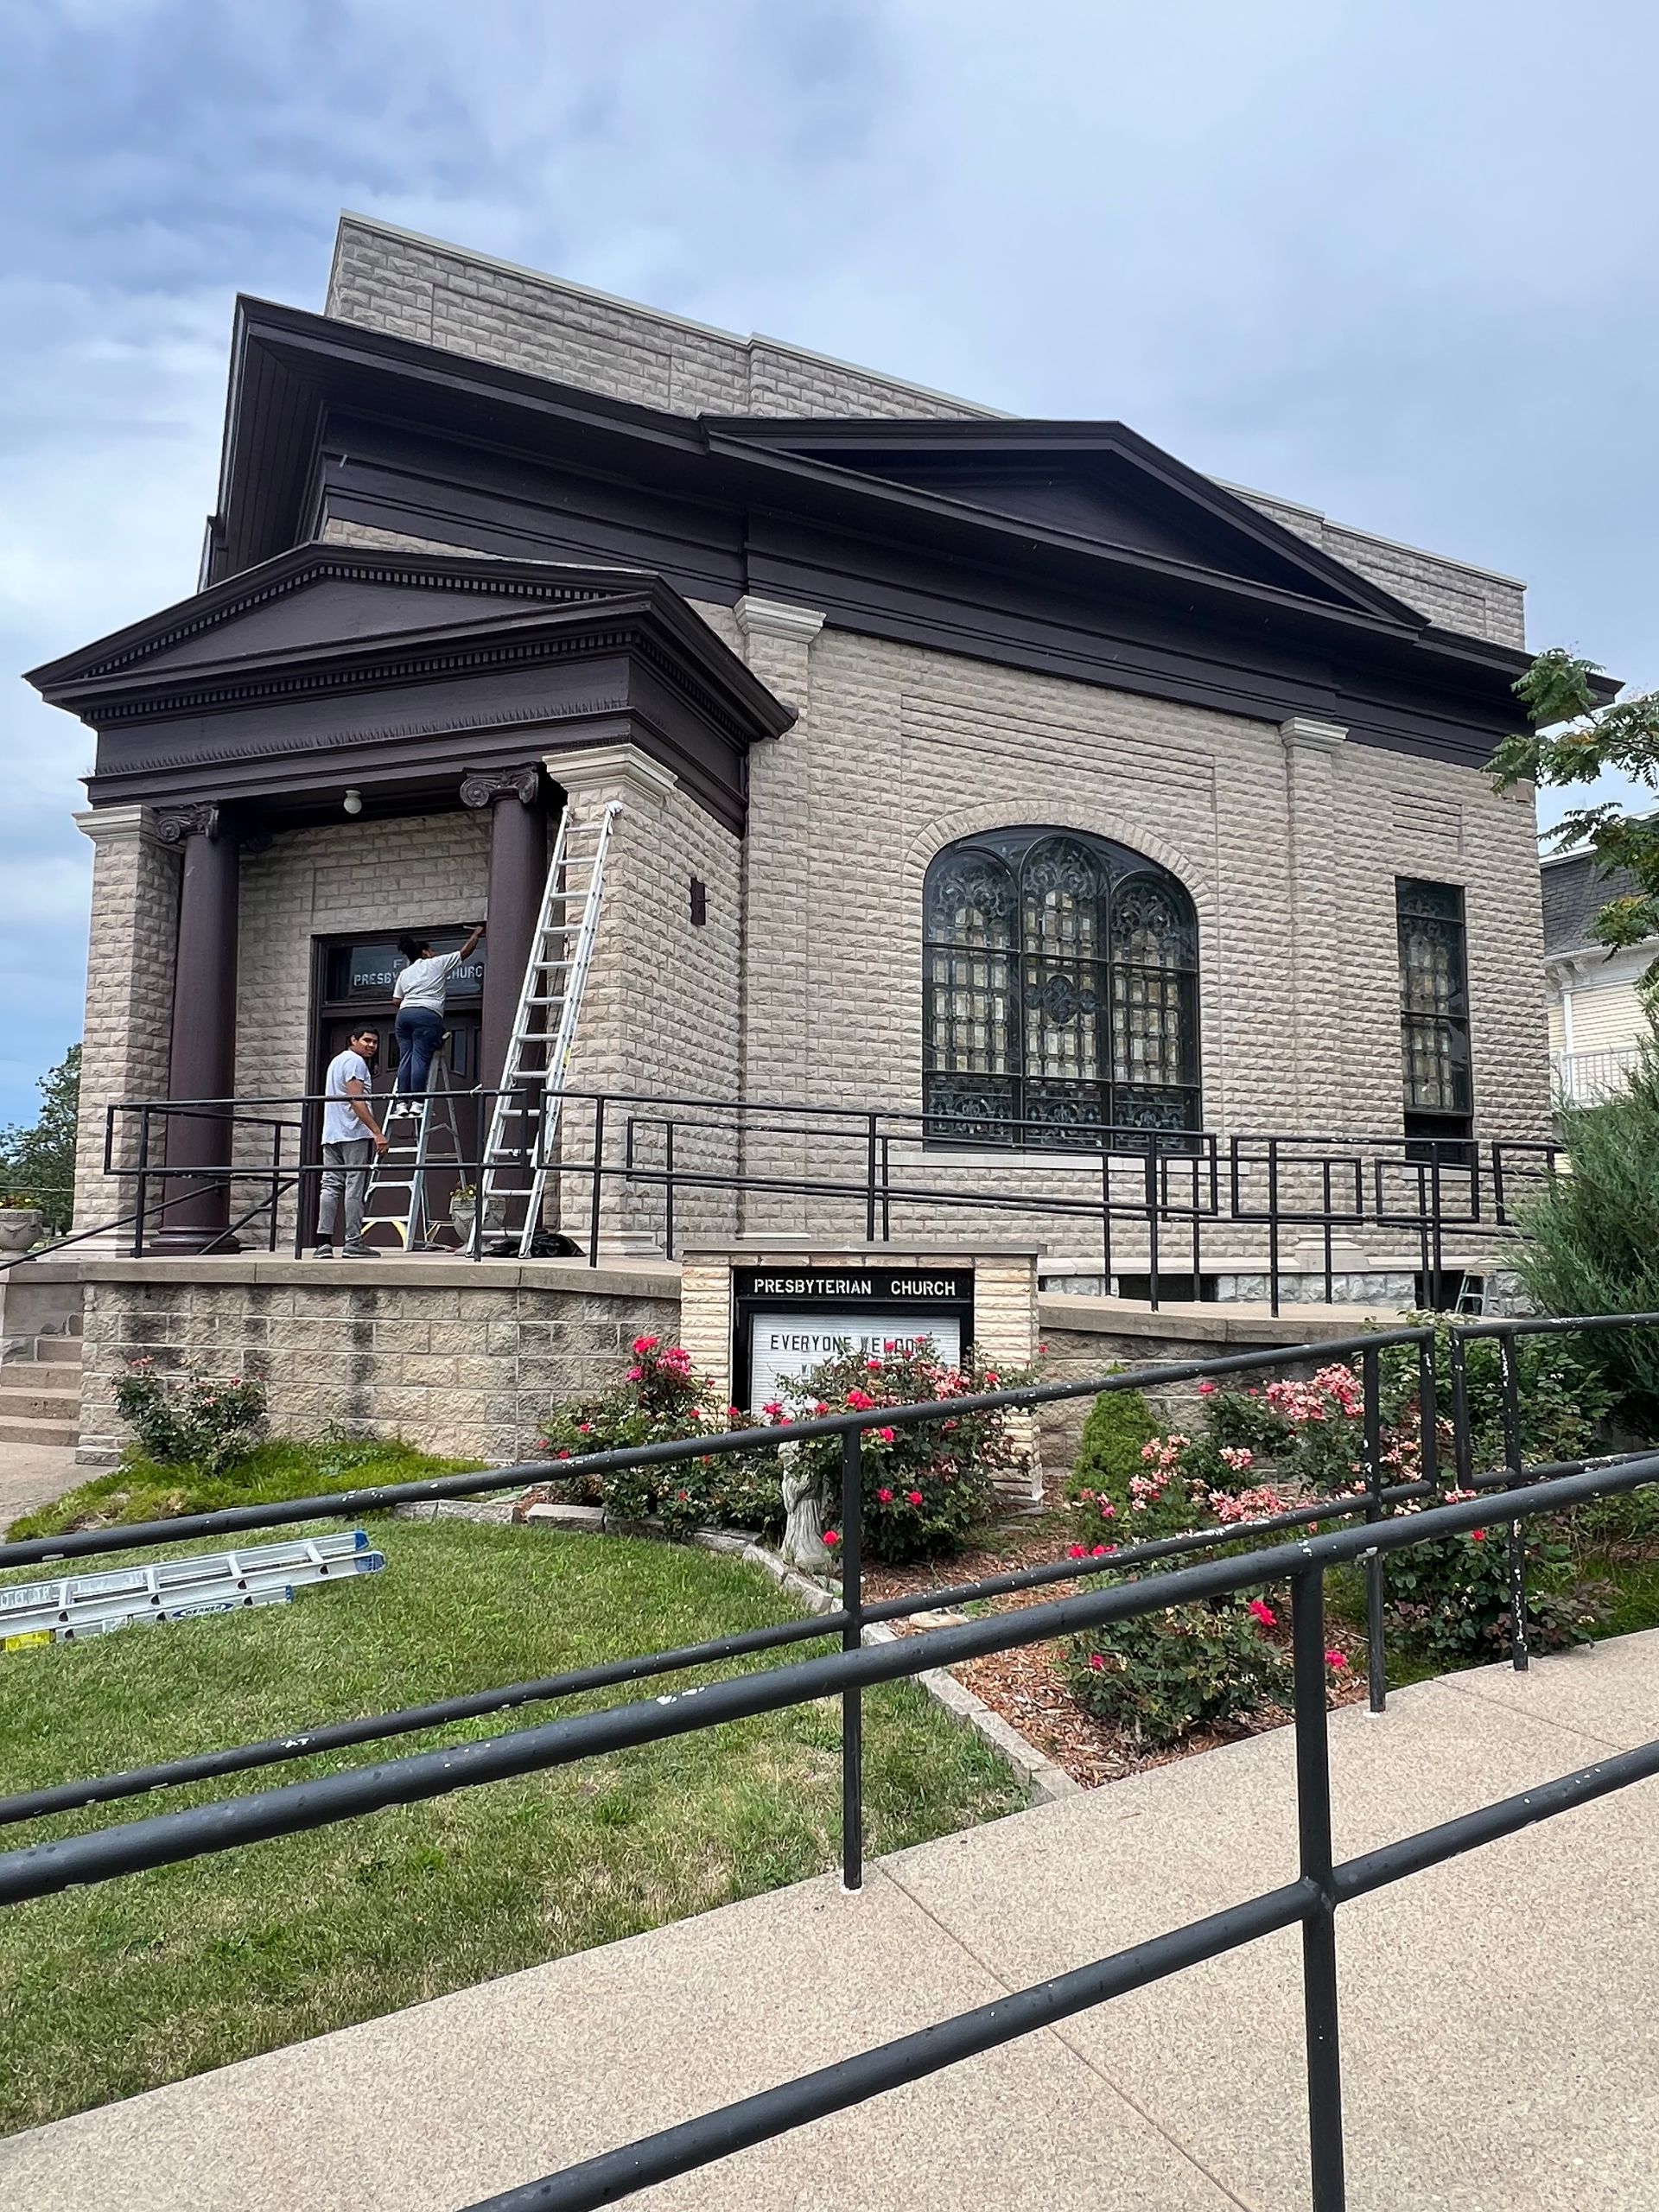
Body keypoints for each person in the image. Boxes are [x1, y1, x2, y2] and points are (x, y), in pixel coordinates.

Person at [313, 1027, 389, 1259]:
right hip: (353, 1133)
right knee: (354, 1186)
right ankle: (352, 1242)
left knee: (330, 1185)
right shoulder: (355, 1062)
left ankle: (323, 1243)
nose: (371, 1046)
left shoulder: (337, 1061)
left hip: (332, 1133)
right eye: (366, 1040)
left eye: (375, 1042)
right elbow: (355, 1099)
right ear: (353, 1040)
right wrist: (377, 1132)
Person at [391, 923, 485, 1098]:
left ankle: (402, 1101)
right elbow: (464, 953)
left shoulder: (405, 973)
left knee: (406, 1058)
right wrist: (477, 935)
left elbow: (396, 1000)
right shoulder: (436, 963)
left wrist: (412, 1002)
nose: (435, 953)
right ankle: (417, 1101)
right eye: (432, 950)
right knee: (420, 1057)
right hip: (426, 1014)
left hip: (404, 1016)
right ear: (425, 952)